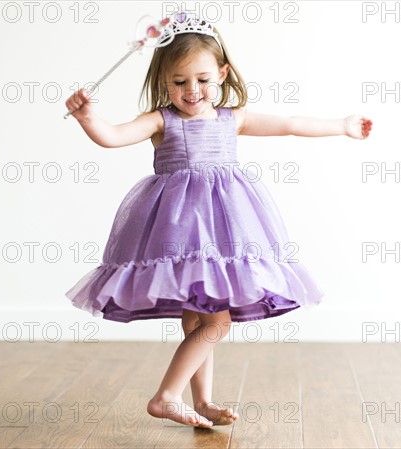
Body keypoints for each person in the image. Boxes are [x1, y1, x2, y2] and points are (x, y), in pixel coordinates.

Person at [64, 11, 373, 429]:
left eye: (203, 79)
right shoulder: (162, 120)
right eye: (179, 82)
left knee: (197, 319)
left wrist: (342, 125)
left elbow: (290, 124)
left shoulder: (233, 118)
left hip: (226, 230)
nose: (192, 91)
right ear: (163, 81)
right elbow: (114, 136)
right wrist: (87, 118)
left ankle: (203, 401)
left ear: (223, 74)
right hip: (179, 231)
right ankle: (166, 396)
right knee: (218, 322)